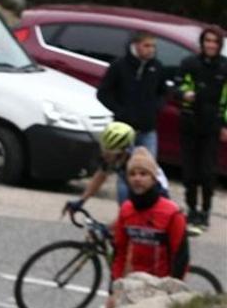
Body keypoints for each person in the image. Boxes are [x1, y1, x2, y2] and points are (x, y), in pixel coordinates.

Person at [106, 149, 189, 308]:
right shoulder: (126, 210)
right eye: (133, 174)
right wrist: (112, 291)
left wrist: (171, 291)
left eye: (143, 174)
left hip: (162, 286)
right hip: (134, 285)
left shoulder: (172, 212)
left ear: (153, 178)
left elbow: (180, 257)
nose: (137, 179)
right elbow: (119, 253)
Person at [175, 28, 227, 230]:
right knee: (189, 172)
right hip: (189, 124)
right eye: (207, 41)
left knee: (207, 172)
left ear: (219, 44)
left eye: (214, 42)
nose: (210, 45)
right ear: (202, 43)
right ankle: (191, 209)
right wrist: (183, 94)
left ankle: (205, 211)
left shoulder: (224, 67)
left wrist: (224, 125)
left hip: (212, 126)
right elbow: (175, 87)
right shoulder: (189, 63)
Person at [63, 121, 171, 216]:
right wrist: (81, 200)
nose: (105, 154)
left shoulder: (136, 165)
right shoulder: (117, 158)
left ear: (123, 151)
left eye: (109, 152)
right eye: (104, 149)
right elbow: (100, 175)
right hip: (136, 197)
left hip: (153, 200)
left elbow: (134, 209)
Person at [96, 31, 166, 156]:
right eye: (147, 46)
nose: (151, 50)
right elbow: (103, 93)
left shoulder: (157, 67)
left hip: (147, 128)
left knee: (147, 165)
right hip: (123, 128)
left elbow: (162, 92)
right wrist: (120, 111)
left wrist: (155, 108)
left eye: (153, 46)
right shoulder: (119, 65)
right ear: (136, 45)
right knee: (122, 167)